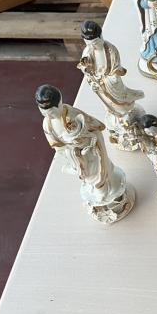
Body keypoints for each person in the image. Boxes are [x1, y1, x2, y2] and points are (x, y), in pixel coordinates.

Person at [35, 84, 134, 223]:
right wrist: (73, 152)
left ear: (60, 103)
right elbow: (58, 146)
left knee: (99, 173)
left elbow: (96, 128)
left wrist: (86, 144)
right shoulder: (48, 124)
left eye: (51, 113)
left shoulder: (74, 115)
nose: (48, 116)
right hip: (76, 155)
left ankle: (107, 191)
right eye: (43, 113)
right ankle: (101, 194)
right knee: (88, 176)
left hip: (92, 150)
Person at [77, 20, 145, 151]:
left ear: (101, 37)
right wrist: (89, 73)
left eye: (95, 43)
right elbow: (85, 69)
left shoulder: (111, 50)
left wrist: (108, 78)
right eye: (89, 43)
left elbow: (115, 69)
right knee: (108, 104)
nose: (92, 46)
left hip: (111, 83)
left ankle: (127, 117)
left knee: (121, 102)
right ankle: (118, 120)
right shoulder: (87, 51)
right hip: (98, 84)